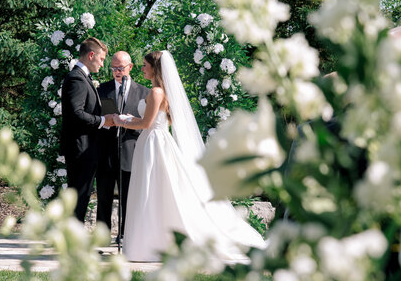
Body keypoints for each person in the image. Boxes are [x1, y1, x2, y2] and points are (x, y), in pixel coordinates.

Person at [114, 51, 266, 263]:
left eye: (145, 65)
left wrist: (120, 120)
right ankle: (151, 241)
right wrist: (130, 118)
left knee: (153, 189)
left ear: (155, 68)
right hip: (152, 141)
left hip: (153, 142)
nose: (142, 68)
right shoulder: (161, 91)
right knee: (153, 189)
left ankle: (150, 243)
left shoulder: (157, 92)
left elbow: (146, 124)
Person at [96, 51, 149, 240]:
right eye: (113, 68)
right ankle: (101, 237)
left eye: (120, 68)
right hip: (105, 152)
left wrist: (128, 122)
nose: (117, 72)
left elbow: (146, 125)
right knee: (104, 196)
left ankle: (126, 234)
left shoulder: (144, 92)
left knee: (128, 197)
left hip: (130, 150)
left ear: (130, 67)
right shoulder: (101, 89)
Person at [60, 37, 114, 223]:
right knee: (78, 199)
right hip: (80, 150)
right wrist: (102, 120)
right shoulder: (76, 79)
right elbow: (76, 114)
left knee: (80, 199)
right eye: (101, 59)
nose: (102, 63)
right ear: (91, 55)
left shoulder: (82, 77)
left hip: (85, 149)